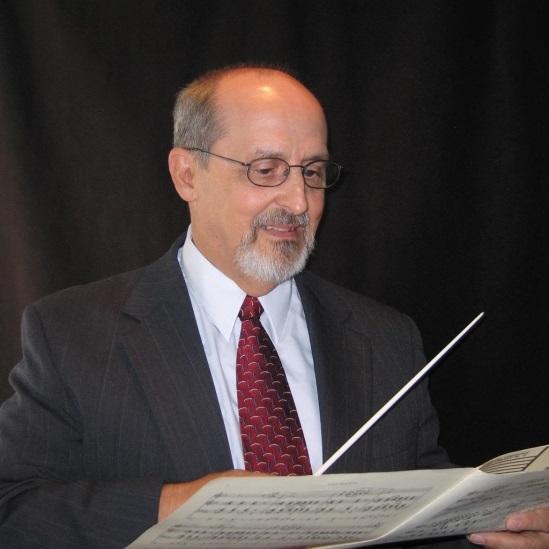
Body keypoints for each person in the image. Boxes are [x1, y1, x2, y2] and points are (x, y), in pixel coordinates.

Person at [0, 64, 547, 548]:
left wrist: (497, 531)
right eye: (266, 170)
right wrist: (175, 506)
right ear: (187, 174)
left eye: (312, 172)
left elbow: (421, 521)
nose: (298, 201)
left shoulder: (386, 339)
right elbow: (14, 508)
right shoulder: (73, 333)